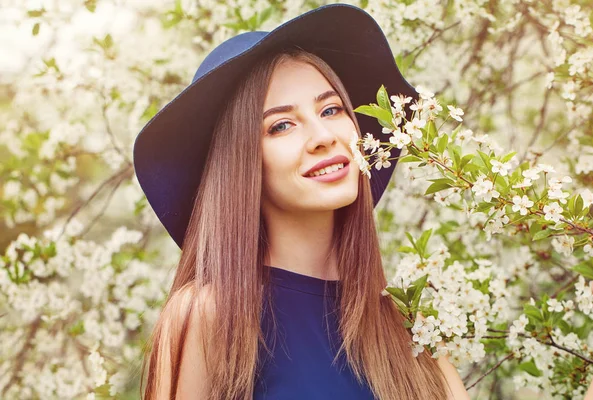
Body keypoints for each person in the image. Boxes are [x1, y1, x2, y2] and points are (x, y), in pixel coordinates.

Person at [132, 4, 471, 400]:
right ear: (241, 165)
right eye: (281, 125)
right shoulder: (207, 317)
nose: (323, 134)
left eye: (331, 109)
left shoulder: (405, 322)